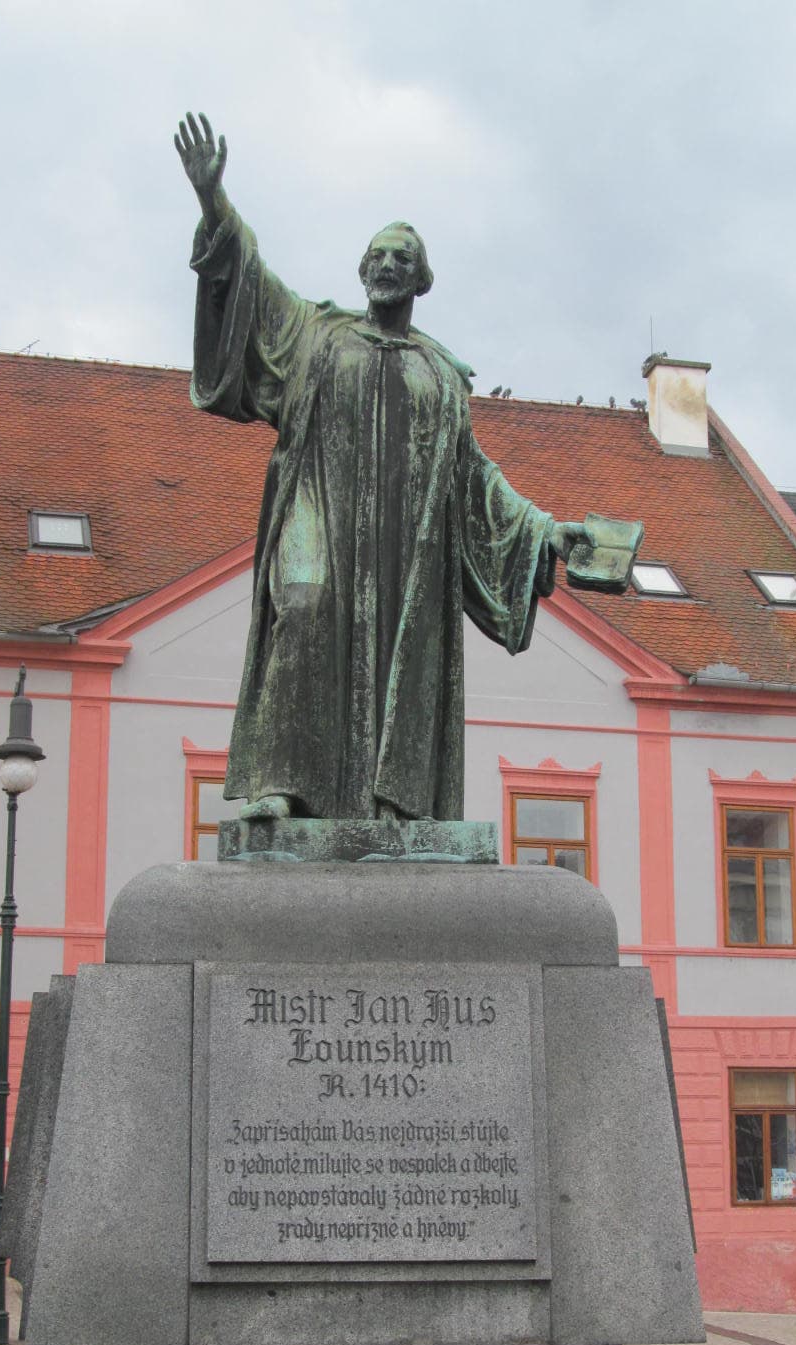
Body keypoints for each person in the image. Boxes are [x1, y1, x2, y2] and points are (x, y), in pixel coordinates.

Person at [176, 112, 595, 822]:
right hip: (318, 511)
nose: (385, 264)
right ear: (361, 269)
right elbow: (246, 274)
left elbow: (471, 478)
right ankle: (283, 784)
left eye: (401, 255)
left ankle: (394, 805)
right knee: (300, 609)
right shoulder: (317, 334)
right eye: (376, 254)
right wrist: (213, 200)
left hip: (405, 549)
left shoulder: (438, 374)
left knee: (407, 656)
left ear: (420, 278)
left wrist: (546, 533)